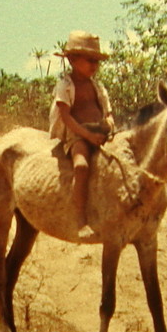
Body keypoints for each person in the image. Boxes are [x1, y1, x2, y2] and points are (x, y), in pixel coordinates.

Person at [49, 30, 115, 240]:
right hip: (78, 135)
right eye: (89, 60)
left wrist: (109, 124)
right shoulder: (65, 86)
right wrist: (87, 135)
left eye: (97, 61)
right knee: (81, 166)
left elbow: (108, 112)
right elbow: (67, 117)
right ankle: (80, 219)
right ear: (72, 59)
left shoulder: (98, 86)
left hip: (100, 132)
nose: (94, 66)